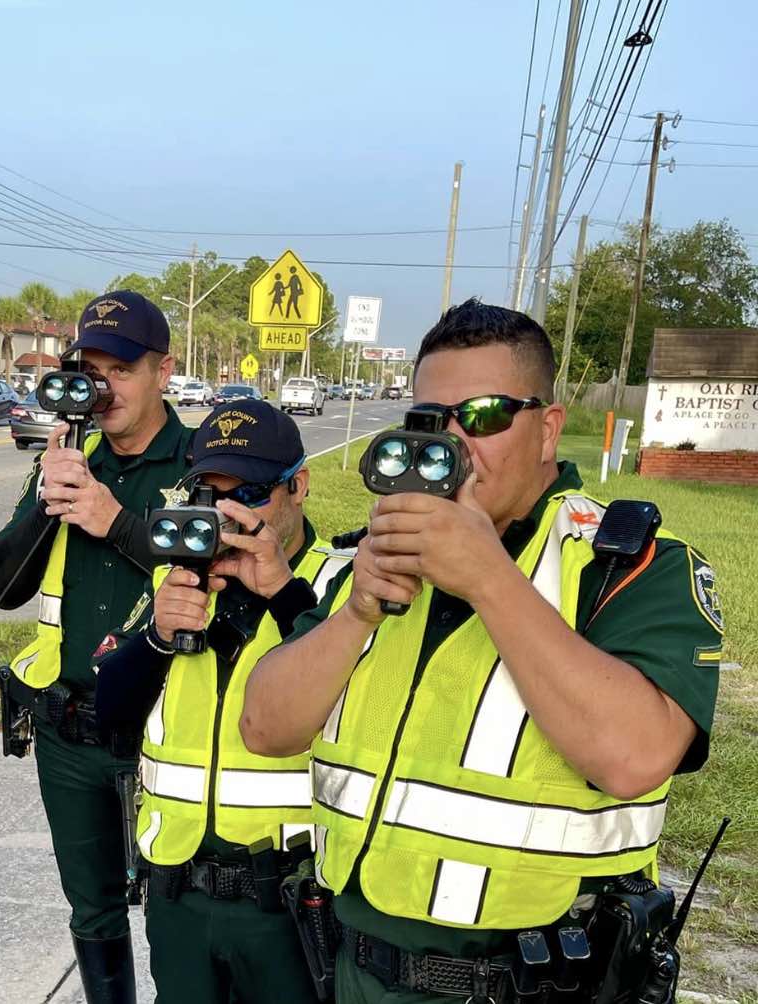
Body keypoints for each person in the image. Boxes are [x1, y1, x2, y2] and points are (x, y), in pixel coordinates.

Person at [242, 299, 723, 1004]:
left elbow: (635, 756)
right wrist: (357, 612)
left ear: (548, 429)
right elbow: (266, 727)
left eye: (486, 416)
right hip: (357, 969)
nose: (453, 446)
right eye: (430, 422)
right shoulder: (371, 562)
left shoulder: (626, 565)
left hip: (532, 981)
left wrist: (489, 577)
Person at [94, 399, 350, 1004]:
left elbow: (355, 703)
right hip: (180, 895)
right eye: (208, 494)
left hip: (290, 900)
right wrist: (157, 637)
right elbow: (111, 714)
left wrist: (286, 594)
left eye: (250, 495)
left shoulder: (340, 584)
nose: (228, 516)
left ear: (299, 487)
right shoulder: (178, 578)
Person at [0, 290, 193, 1003]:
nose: (103, 389)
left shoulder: (201, 466)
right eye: (90, 370)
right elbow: (3, 587)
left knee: (175, 914)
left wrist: (116, 520)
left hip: (170, 737)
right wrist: (50, 498)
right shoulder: (70, 464)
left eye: (121, 370)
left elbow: (227, 594)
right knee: (94, 912)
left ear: (163, 372)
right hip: (69, 730)